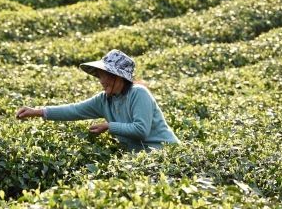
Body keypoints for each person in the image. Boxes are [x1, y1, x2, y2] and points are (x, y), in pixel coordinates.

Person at [16, 49, 179, 151]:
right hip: (141, 159)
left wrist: (109, 126)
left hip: (165, 154)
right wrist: (37, 112)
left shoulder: (139, 93)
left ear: (119, 78)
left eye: (106, 76)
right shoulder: (104, 100)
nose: (101, 80)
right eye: (100, 75)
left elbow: (141, 130)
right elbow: (75, 110)